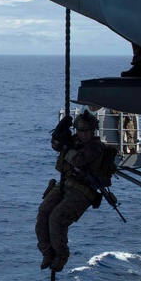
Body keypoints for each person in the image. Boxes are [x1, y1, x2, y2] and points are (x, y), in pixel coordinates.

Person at [35, 110, 118, 272]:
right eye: (80, 131)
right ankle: (47, 252)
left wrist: (66, 146)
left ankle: (61, 255)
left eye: (86, 131)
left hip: (82, 191)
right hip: (66, 184)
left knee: (56, 219)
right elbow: (56, 147)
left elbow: (77, 160)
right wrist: (58, 135)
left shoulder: (96, 147)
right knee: (43, 213)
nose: (83, 135)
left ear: (92, 131)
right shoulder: (74, 141)